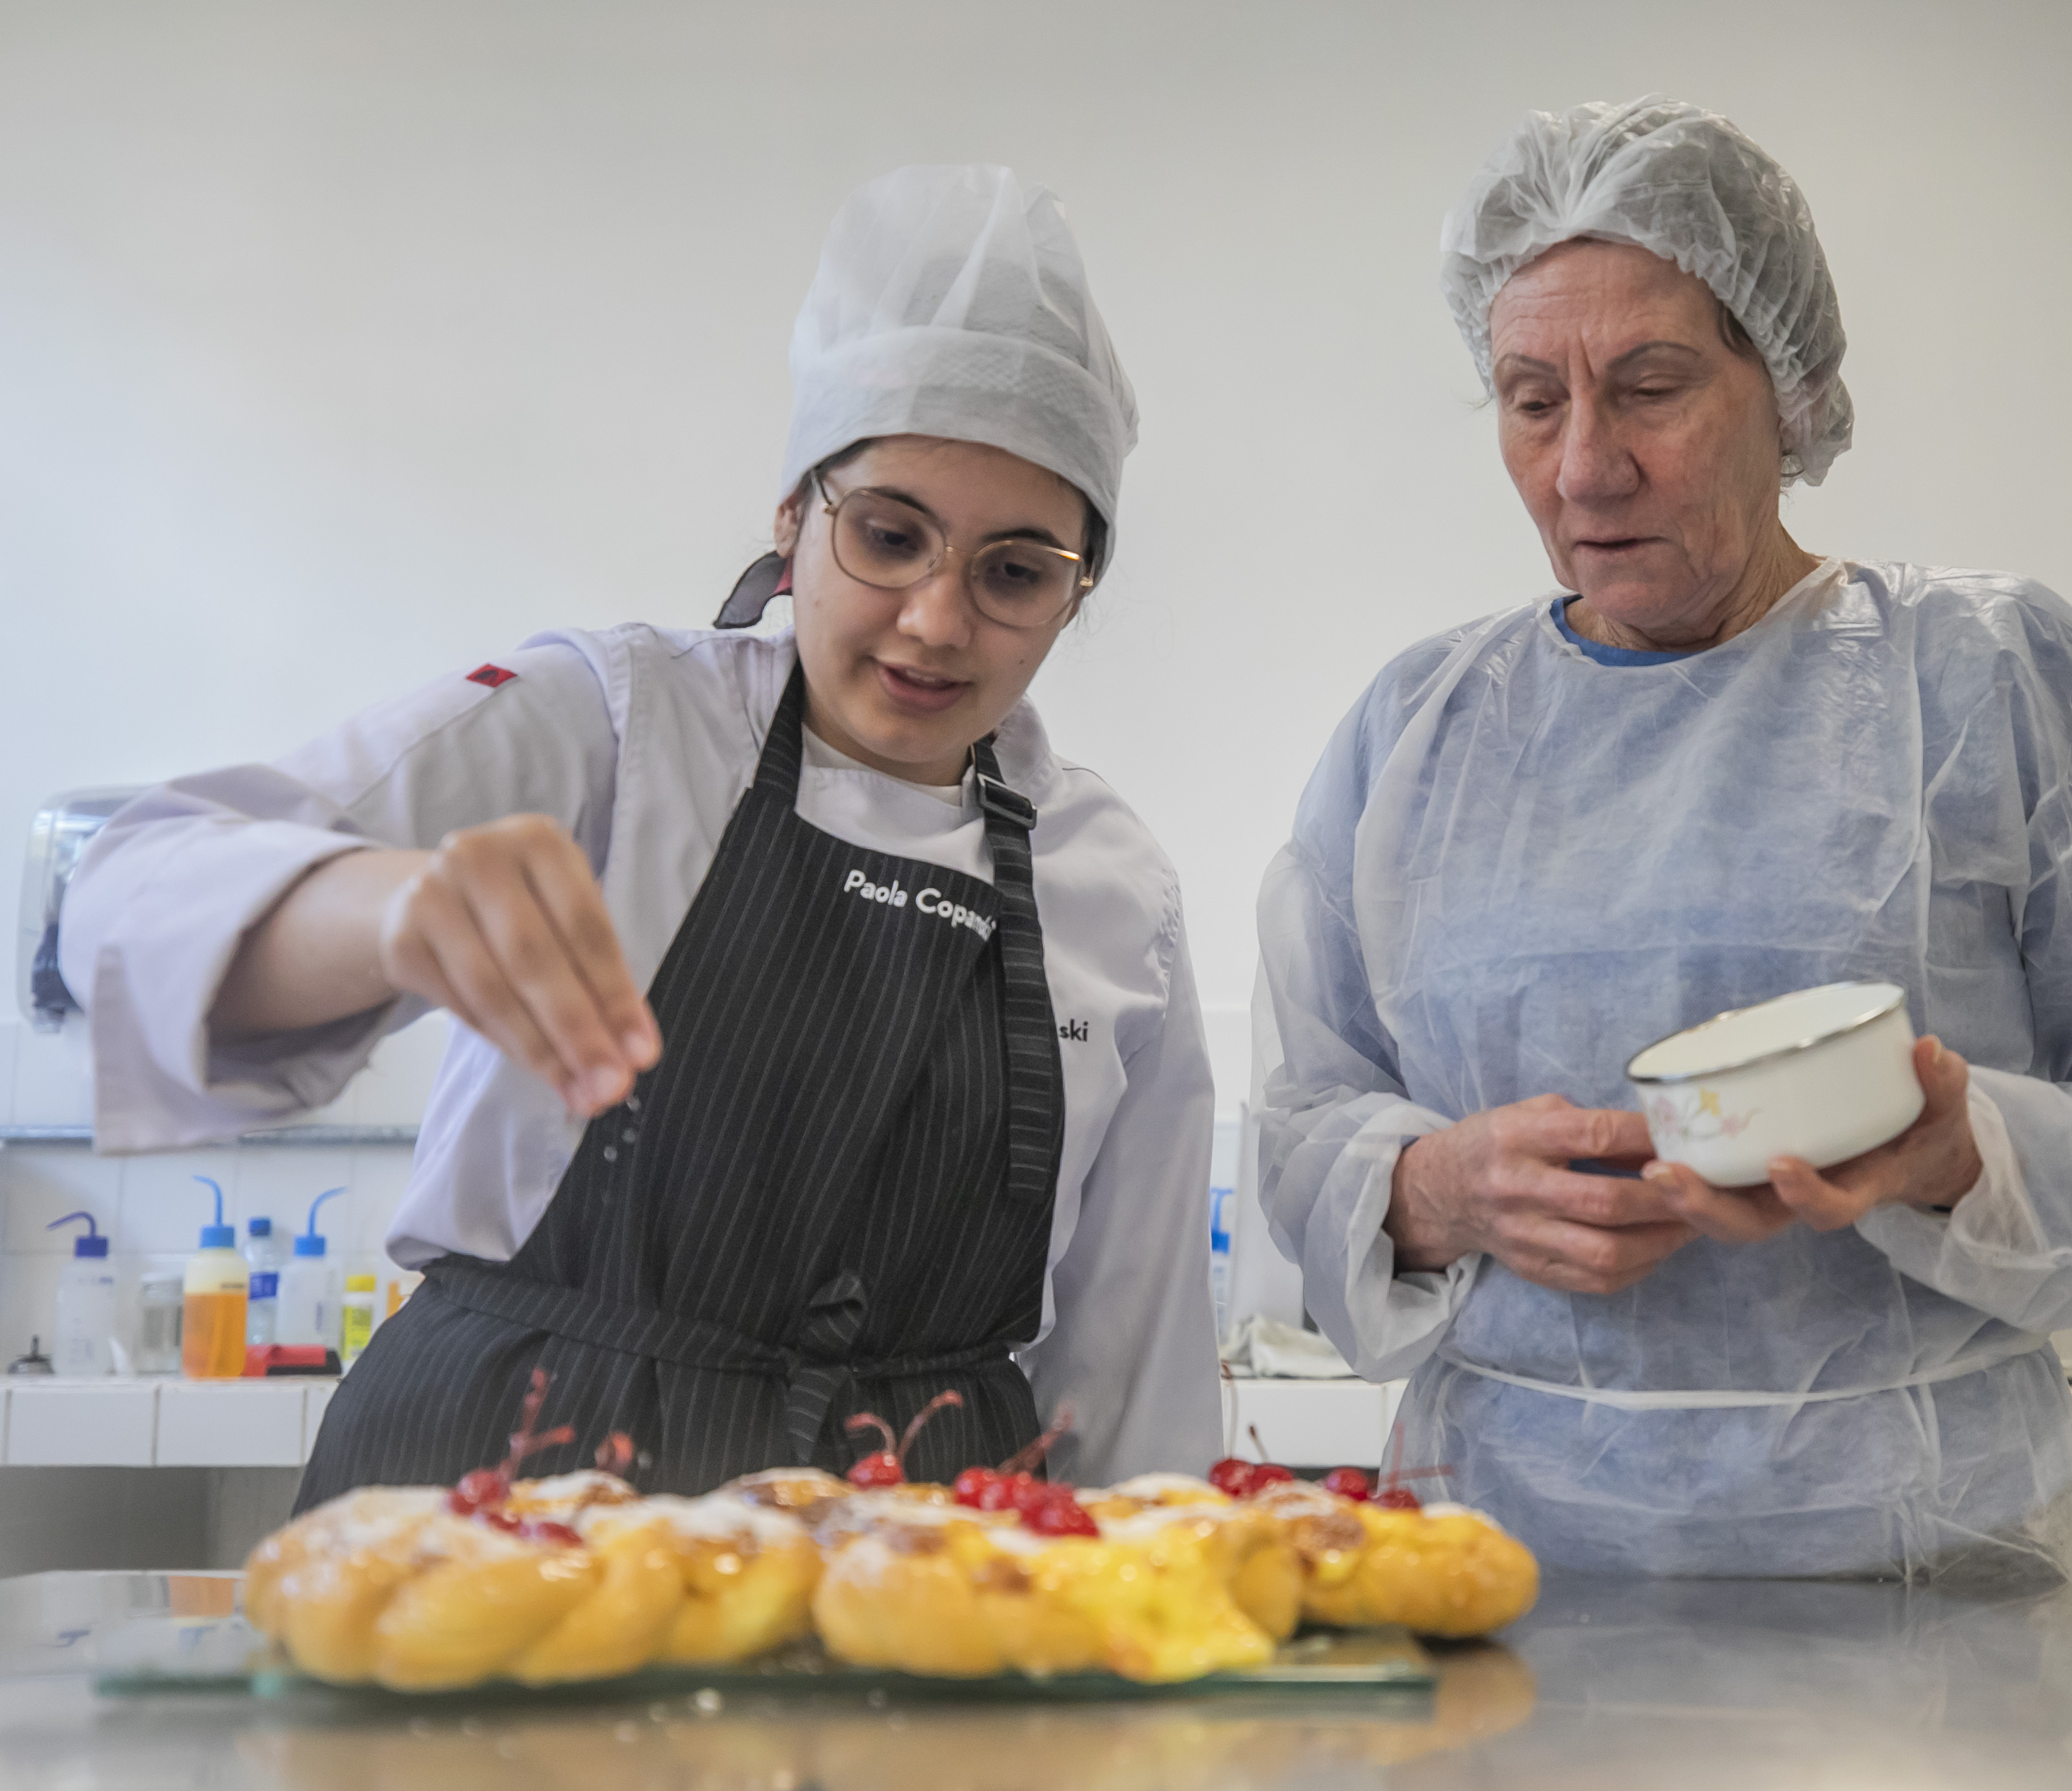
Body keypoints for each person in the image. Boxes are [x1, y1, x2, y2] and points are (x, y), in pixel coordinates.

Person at [63, 164, 1219, 1502]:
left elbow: (1132, 1360)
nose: (934, 621)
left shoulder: (1109, 883)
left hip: (910, 1556)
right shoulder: (608, 723)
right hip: (502, 1501)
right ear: (792, 523)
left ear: (1075, 597)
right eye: (889, 536)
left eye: (1014, 572)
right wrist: (383, 910)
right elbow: (129, 892)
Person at [1253, 98, 2072, 1585]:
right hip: (1498, 1576)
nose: (1583, 467)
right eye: (1531, 398)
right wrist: (1431, 1189)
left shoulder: (1982, 675)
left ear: (1785, 391)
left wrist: (1963, 1151)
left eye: (1651, 387)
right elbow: (1302, 1124)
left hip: (1927, 1575)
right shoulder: (1416, 731)